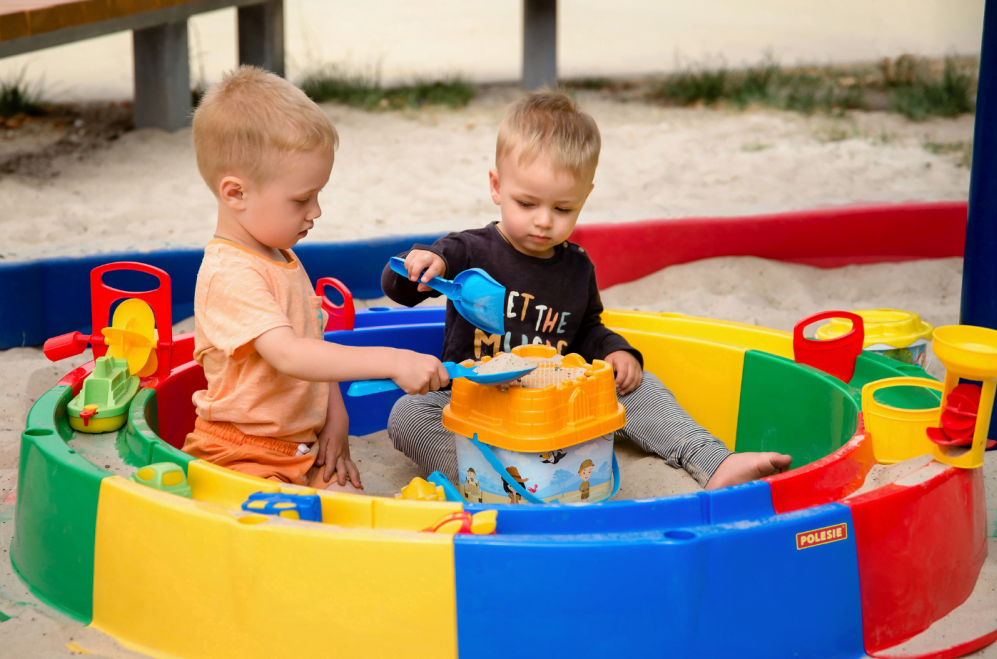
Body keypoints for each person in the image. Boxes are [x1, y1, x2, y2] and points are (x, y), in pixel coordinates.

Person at [382, 90, 791, 490]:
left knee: (641, 385)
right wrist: (422, 264)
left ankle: (712, 460)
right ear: (496, 186)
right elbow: (402, 289)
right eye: (526, 204)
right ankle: (493, 485)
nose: (544, 221)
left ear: (584, 197)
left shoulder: (576, 267)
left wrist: (616, 351)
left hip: (560, 408)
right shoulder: (466, 251)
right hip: (476, 408)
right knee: (408, 413)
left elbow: (586, 329)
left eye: (563, 209)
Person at [184, 66, 448, 492]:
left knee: (350, 508)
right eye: (301, 199)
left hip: (299, 448)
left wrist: (336, 418)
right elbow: (289, 355)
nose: (316, 211)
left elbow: (314, 345)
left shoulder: (280, 255)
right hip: (241, 452)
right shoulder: (230, 273)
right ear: (236, 193)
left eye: (318, 194)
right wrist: (393, 360)